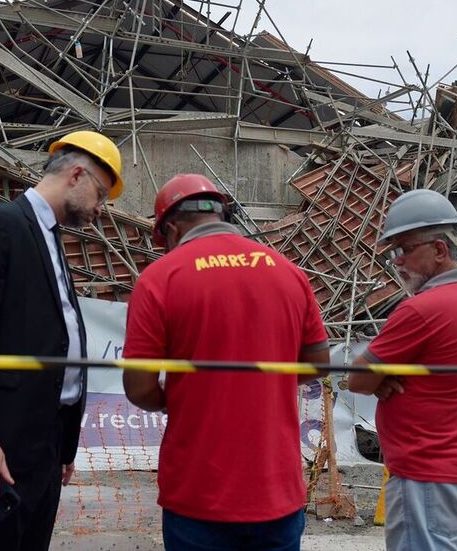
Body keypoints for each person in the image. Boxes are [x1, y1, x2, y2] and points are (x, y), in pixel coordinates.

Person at [0, 130, 124, 551]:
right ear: (77, 174)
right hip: (1, 439)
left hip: (45, 443)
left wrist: (63, 446)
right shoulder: (2, 223)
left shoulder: (50, 238)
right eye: (101, 195)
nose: (99, 210)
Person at [122, 173, 329, 551]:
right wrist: (263, 387)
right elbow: (318, 365)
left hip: (199, 493)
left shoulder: (159, 279)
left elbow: (139, 388)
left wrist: (191, 394)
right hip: (277, 490)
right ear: (222, 214)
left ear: (170, 228)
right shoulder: (290, 274)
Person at [347, 189, 457, 551]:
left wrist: (380, 378)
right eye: (393, 253)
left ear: (439, 250)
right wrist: (384, 377)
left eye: (404, 249)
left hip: (429, 479)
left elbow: (357, 379)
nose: (397, 262)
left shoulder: (421, 310)